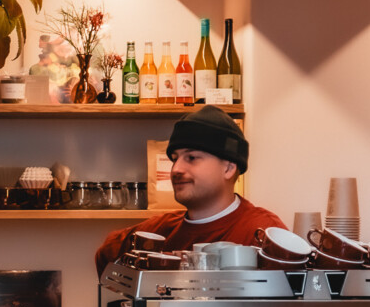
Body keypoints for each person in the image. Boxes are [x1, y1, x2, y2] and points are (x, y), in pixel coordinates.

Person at [94, 104, 284, 273]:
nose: (176, 169)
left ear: (228, 167)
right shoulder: (161, 230)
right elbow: (106, 253)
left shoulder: (263, 232)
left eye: (191, 158)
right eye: (175, 158)